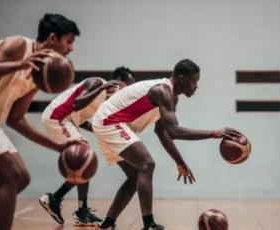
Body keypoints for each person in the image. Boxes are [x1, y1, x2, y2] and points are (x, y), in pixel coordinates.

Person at [91, 59, 242, 230]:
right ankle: (149, 224)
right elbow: (175, 132)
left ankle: (107, 224)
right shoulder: (162, 91)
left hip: (110, 123)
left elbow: (162, 132)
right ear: (182, 78)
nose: (196, 86)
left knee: (135, 177)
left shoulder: (172, 98)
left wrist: (179, 161)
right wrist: (214, 133)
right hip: (109, 122)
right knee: (147, 164)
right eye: (194, 81)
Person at [0, 13, 80, 230]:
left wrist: (57, 146)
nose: (71, 48)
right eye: (69, 41)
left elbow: (16, 119)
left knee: (22, 178)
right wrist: (20, 64)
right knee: (12, 174)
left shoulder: (40, 73)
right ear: (53, 38)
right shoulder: (18, 46)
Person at [39, 67, 135, 226]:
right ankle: (56, 200)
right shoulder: (96, 82)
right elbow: (76, 104)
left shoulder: (106, 100)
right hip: (57, 117)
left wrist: (99, 129)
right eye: (129, 86)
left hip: (67, 120)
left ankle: (79, 209)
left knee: (84, 159)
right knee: (84, 158)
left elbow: (80, 118)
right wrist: (101, 88)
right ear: (119, 83)